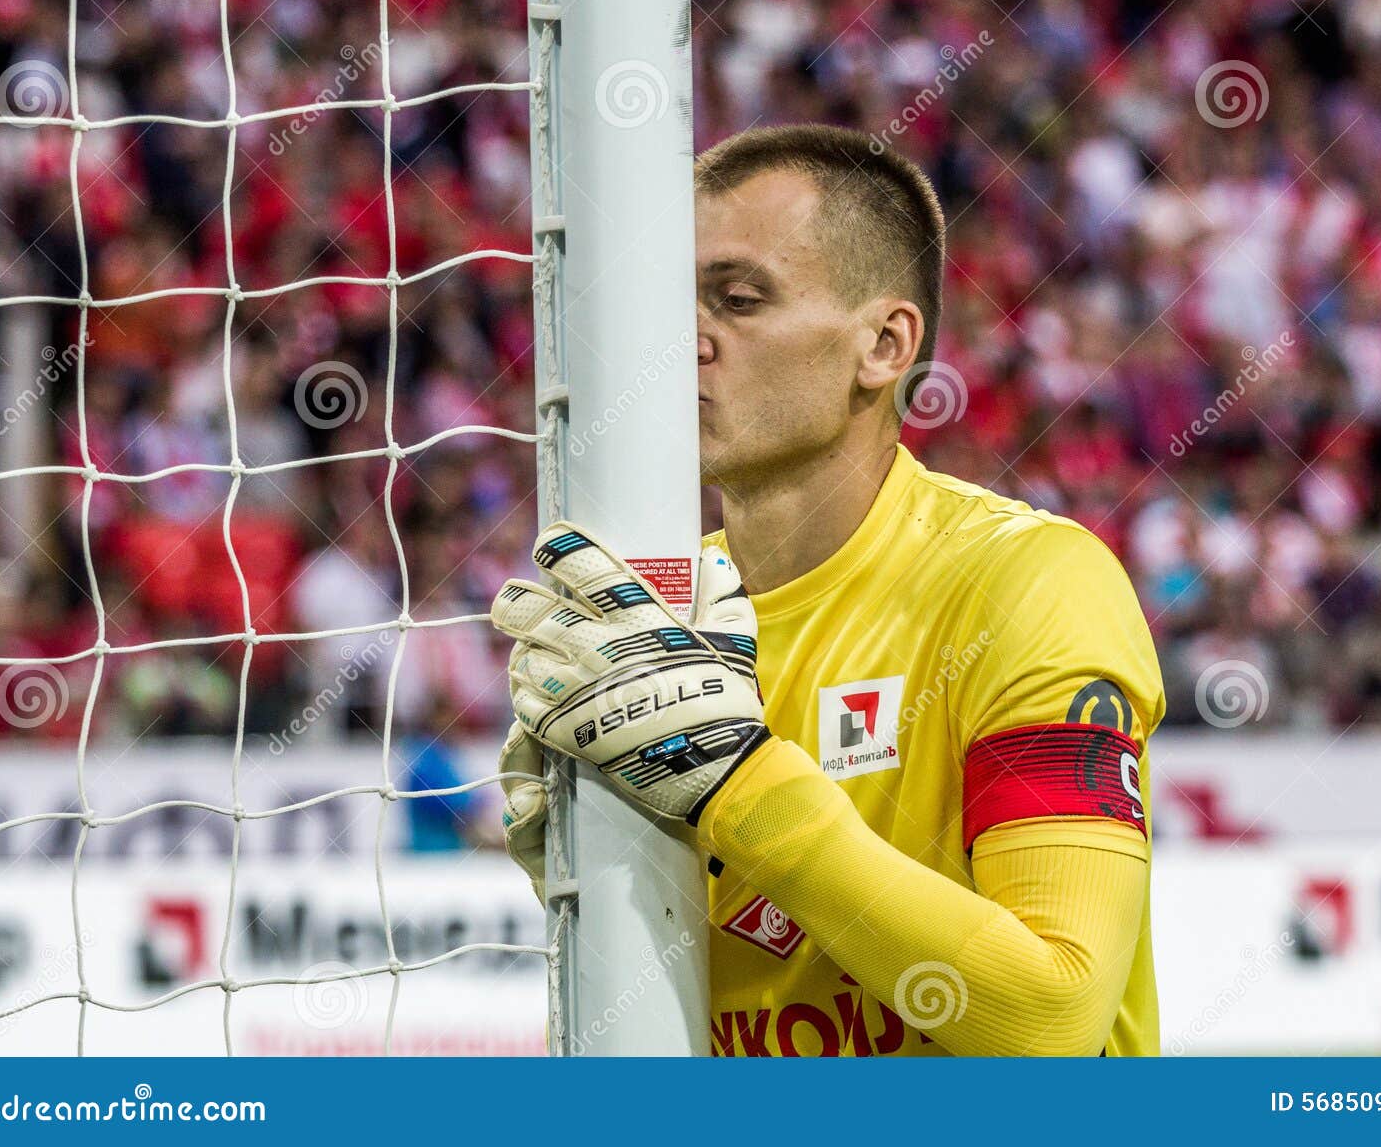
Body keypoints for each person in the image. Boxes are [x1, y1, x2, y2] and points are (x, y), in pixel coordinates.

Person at [491, 125, 1163, 1057]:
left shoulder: (1028, 581)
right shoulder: (657, 623)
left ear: (885, 344)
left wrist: (737, 781)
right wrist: (607, 875)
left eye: (737, 299)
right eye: (666, 304)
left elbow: (1051, 1017)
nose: (683, 341)